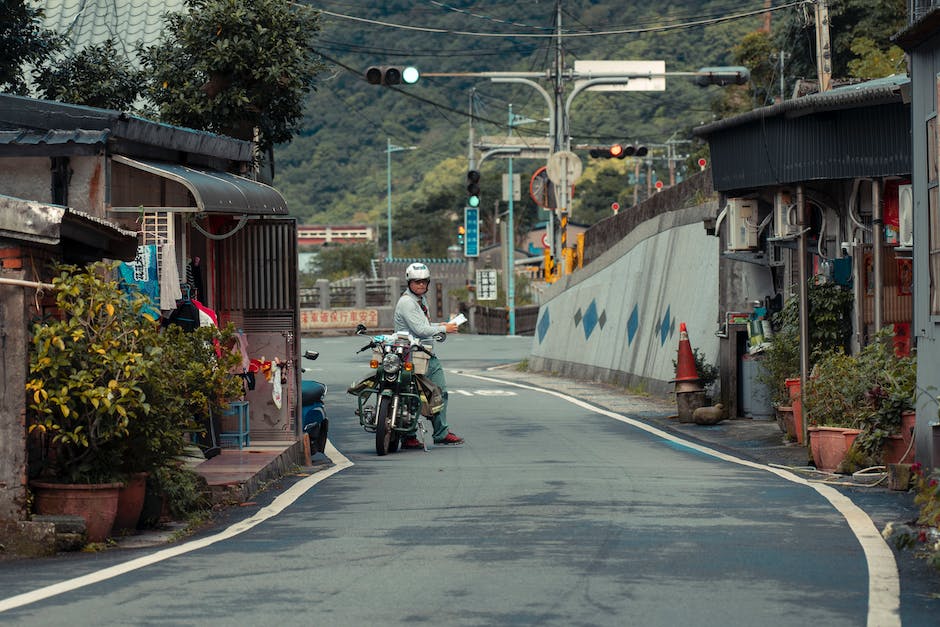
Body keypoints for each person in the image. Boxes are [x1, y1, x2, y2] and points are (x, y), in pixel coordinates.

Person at [395, 262, 465, 447]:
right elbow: (419, 329)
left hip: (426, 353)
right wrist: (443, 328)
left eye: (424, 282)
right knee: (413, 395)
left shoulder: (421, 300)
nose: (421, 285)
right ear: (409, 282)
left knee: (439, 392)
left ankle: (441, 433)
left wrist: (442, 327)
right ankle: (408, 435)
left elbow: (425, 326)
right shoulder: (407, 302)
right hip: (411, 354)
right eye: (417, 282)